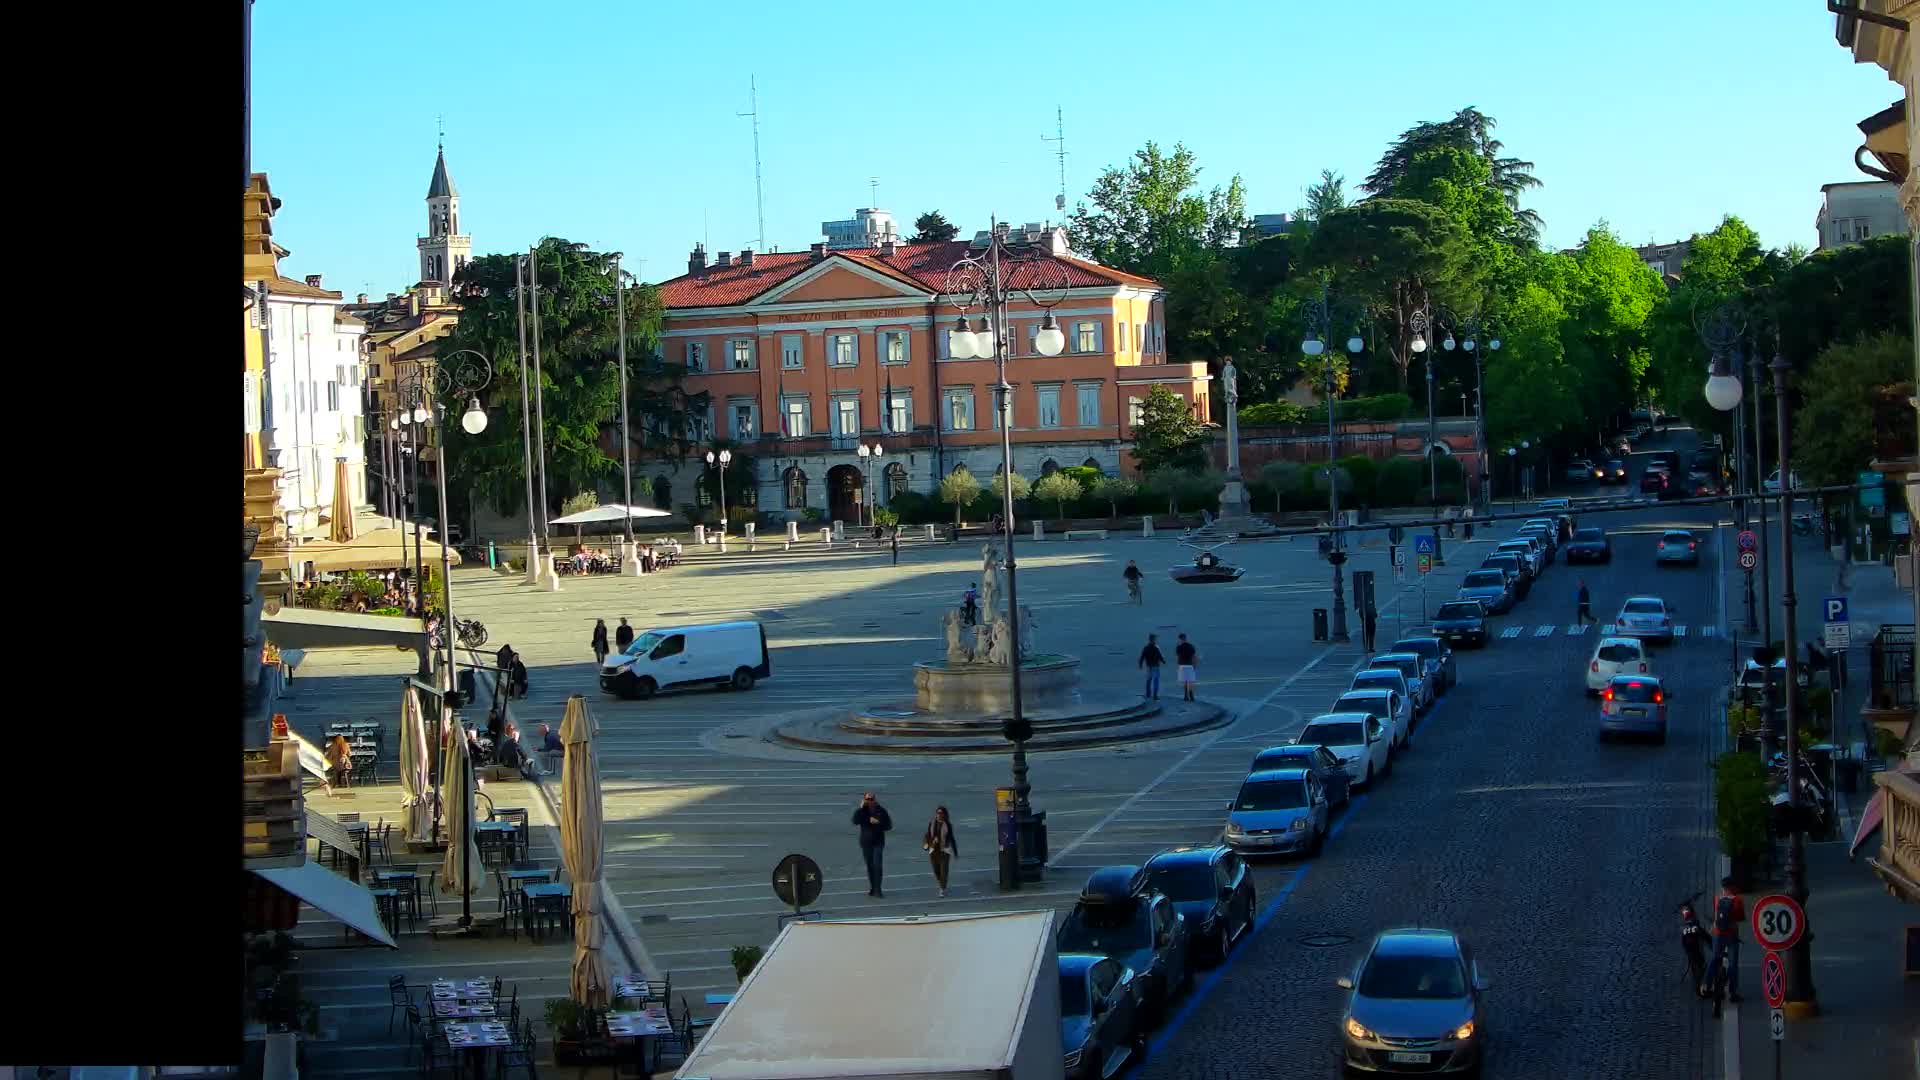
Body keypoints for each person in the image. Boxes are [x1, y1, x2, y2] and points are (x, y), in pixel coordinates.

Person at [1702, 876, 1746, 1005]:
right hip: (1731, 935)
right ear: (1733, 887)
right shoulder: (1737, 900)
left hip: (1717, 934)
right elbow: (1740, 918)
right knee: (1733, 964)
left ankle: (1707, 986)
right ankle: (1733, 993)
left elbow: (1716, 915)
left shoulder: (1717, 898)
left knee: (1715, 959)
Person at [852, 792, 893, 898]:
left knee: (877, 865)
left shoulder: (881, 811)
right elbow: (855, 820)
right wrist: (861, 810)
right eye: (867, 799)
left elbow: (888, 826)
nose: (869, 801)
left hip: (878, 842)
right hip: (866, 843)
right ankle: (873, 887)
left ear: (874, 800)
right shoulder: (862, 811)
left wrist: (878, 823)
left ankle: (878, 889)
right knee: (870, 866)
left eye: (871, 799)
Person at [922, 805, 958, 898]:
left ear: (944, 815)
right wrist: (928, 843)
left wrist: (955, 851)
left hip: (944, 851)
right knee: (936, 870)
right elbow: (928, 835)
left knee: (944, 870)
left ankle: (942, 888)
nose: (939, 815)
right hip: (933, 850)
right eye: (938, 813)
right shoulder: (932, 823)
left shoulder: (948, 825)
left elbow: (951, 838)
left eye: (941, 813)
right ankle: (941, 883)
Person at [1138, 633, 1165, 700]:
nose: (1156, 640)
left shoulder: (1146, 647)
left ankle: (1148, 694)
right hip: (1155, 666)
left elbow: (1142, 656)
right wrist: (1163, 661)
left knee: (1149, 680)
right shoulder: (1156, 647)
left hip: (1148, 666)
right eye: (1155, 639)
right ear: (1153, 639)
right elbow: (1159, 656)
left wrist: (1140, 664)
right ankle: (1155, 695)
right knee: (1156, 680)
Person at [1174, 633, 1199, 702]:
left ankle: (1185, 696)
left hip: (1182, 665)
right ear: (1185, 638)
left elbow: (1177, 656)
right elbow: (1194, 656)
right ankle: (1191, 695)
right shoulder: (1191, 646)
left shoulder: (1179, 647)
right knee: (1190, 681)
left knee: (1185, 681)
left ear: (1180, 639)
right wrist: (1195, 665)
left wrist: (1178, 665)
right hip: (1190, 665)